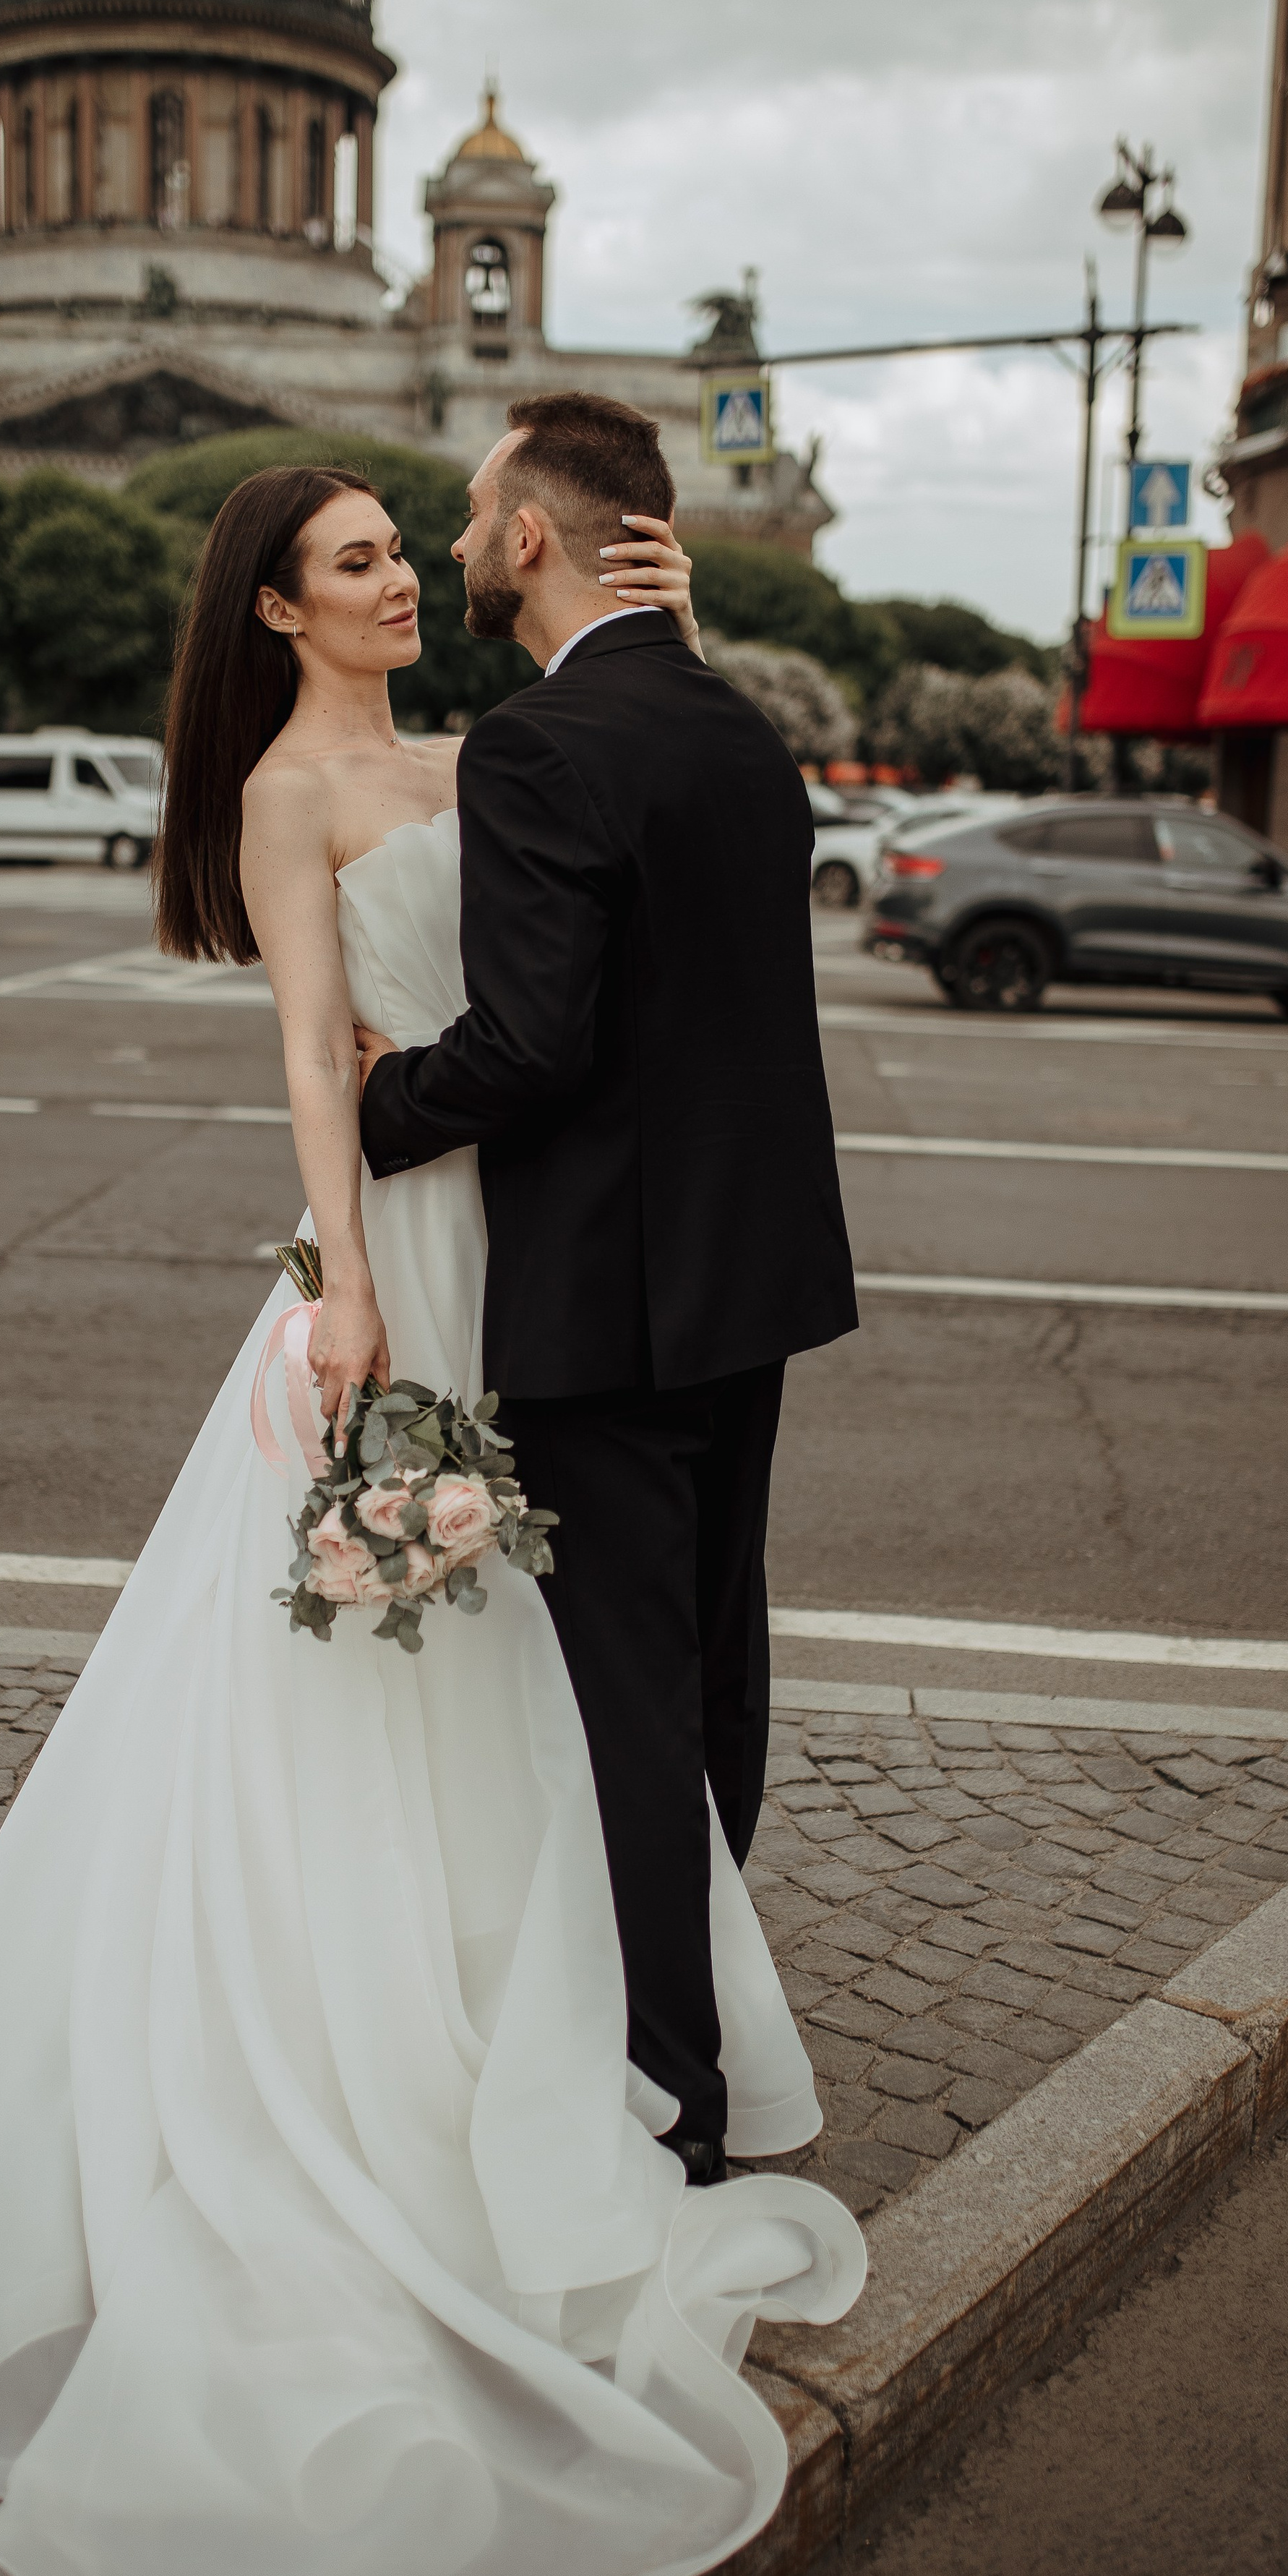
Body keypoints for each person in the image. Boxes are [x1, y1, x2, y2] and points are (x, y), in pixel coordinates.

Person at [0, 442, 864, 2576]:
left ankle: (568, 2029)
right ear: (276, 607)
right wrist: (348, 1283)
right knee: (406, 1664)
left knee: (554, 1673)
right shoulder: (293, 792)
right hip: (417, 1255)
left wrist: (684, 633)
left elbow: (632, 816)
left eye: (410, 543)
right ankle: (414, 2056)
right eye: (357, 559)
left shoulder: (506, 739)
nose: (401, 576)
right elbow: (308, 1055)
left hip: (547, 1250)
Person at [355, 394, 860, 2183]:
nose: (457, 536)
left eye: (479, 510)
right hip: (752, 1278)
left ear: (535, 538)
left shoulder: (533, 745)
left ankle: (668, 2095)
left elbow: (535, 1044)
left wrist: (377, 1093)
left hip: (608, 1298)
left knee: (624, 1700)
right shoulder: (737, 719)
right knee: (717, 1674)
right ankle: (701, 1990)